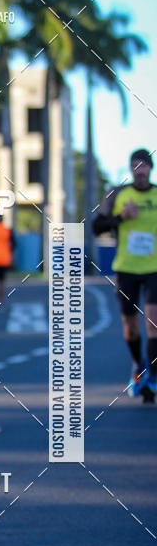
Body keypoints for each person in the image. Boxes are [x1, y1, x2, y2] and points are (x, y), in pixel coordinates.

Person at [92, 148, 157, 402]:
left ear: (150, 169)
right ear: (131, 169)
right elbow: (97, 226)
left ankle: (152, 376)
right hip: (126, 269)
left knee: (152, 322)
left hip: (153, 269)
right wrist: (121, 217)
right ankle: (138, 366)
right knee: (130, 329)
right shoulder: (118, 195)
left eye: (144, 166)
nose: (140, 171)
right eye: (135, 166)